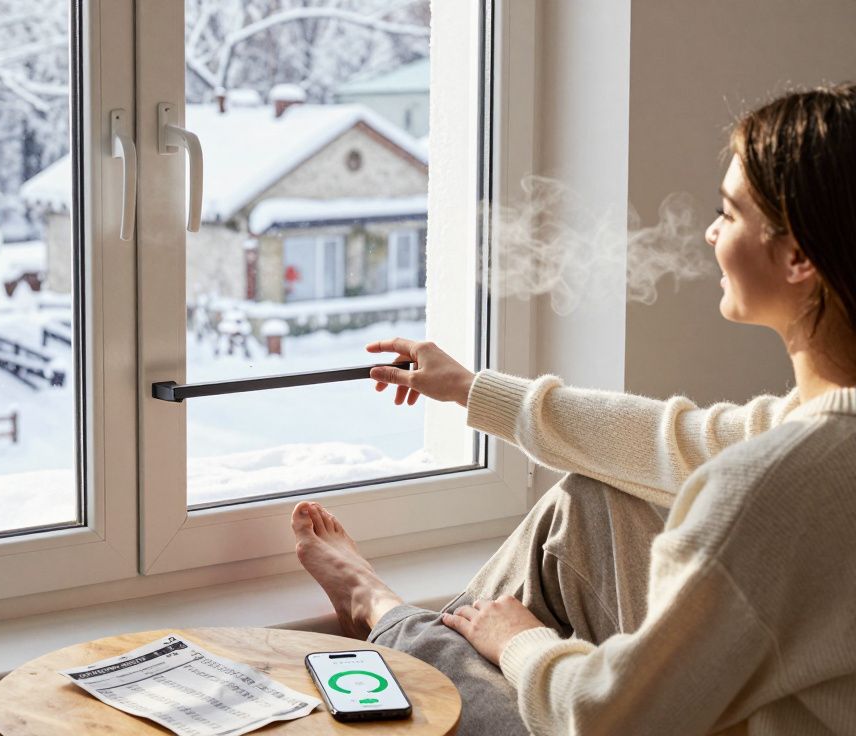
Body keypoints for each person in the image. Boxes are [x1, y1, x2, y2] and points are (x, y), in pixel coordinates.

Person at [292, 83, 856, 735]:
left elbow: (609, 719)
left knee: (469, 694)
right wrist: (473, 390)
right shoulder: (811, 436)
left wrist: (520, 642)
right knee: (589, 503)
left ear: (798, 257)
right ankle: (412, 644)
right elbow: (675, 442)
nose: (709, 232)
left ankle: (379, 611)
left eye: (728, 215)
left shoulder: (766, 494)